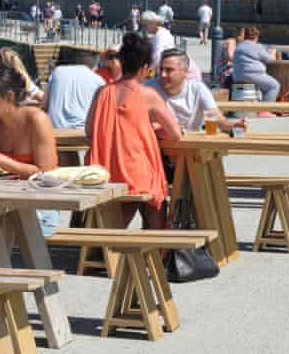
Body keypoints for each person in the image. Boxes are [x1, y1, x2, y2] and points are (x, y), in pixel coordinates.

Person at [85, 32, 182, 229]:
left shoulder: (102, 92)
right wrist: (152, 127)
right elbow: (176, 133)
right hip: (135, 173)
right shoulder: (148, 95)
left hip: (103, 171)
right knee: (155, 202)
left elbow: (89, 130)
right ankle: (158, 253)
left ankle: (110, 246)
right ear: (145, 68)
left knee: (125, 208)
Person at [0, 64, 59, 234]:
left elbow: (47, 174)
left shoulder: (37, 120)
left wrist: (0, 159)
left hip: (40, 209)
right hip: (7, 206)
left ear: (9, 96)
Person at [147, 48, 246, 133]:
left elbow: (218, 119)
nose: (163, 75)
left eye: (169, 70)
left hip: (190, 149)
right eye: (161, 69)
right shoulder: (147, 88)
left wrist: (235, 126)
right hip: (157, 148)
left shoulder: (197, 89)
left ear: (185, 72)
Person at [42, 53, 105, 130]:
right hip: (83, 133)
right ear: (95, 66)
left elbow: (44, 106)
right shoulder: (98, 80)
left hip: (55, 130)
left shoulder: (57, 72)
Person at [232, 26, 281, 103]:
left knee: (264, 86)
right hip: (253, 76)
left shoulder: (239, 46)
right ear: (256, 37)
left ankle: (258, 105)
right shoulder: (257, 46)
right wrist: (273, 52)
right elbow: (271, 60)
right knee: (274, 86)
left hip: (237, 76)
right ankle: (265, 110)